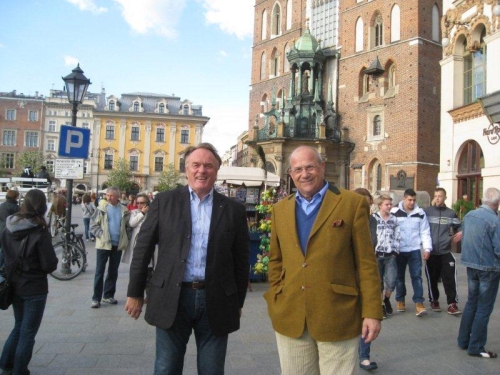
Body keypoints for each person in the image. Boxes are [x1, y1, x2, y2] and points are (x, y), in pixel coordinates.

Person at [125, 143, 250, 375]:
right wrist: (134, 293)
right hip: (172, 296)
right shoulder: (164, 202)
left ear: (216, 171)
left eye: (208, 166)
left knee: (212, 370)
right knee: (166, 367)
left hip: (216, 298)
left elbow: (241, 260)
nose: (202, 170)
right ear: (186, 170)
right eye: (196, 165)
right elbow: (142, 249)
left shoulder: (233, 209)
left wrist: (238, 301)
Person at [264, 146, 382, 375]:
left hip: (337, 314)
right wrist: (276, 294)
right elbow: (275, 260)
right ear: (291, 174)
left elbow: (366, 263)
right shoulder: (281, 209)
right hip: (291, 315)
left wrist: (372, 312)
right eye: (298, 169)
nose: (304, 174)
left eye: (310, 167)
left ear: (322, 167)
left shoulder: (351, 203)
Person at [0, 189, 58, 375]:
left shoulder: (9, 226)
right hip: (34, 287)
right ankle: (19, 370)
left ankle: (5, 365)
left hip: (13, 284)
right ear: (42, 206)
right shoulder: (39, 230)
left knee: (18, 326)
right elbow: (49, 264)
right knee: (28, 332)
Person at [457, 187, 500, 358]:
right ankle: (476, 346)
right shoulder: (494, 221)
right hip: (488, 268)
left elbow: (466, 237)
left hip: (471, 265)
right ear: (496, 203)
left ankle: (463, 340)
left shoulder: (469, 216)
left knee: (472, 303)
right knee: (484, 308)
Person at [391, 188, 432, 316]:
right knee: (399, 277)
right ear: (404, 199)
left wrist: (427, 248)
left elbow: (425, 232)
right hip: (399, 250)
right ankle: (400, 299)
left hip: (414, 249)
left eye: (414, 200)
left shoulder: (420, 213)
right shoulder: (394, 212)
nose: (412, 202)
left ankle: (419, 302)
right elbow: (390, 230)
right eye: (409, 200)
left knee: (417, 277)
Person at [90, 187, 130, 308]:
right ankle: (96, 298)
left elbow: (128, 226)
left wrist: (125, 236)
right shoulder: (101, 209)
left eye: (111, 196)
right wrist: (102, 235)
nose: (108, 198)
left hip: (117, 244)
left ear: (117, 196)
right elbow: (93, 226)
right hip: (103, 244)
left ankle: (108, 295)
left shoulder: (124, 210)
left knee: (113, 271)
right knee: (99, 271)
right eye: (107, 195)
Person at [424, 188, 462, 315]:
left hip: (446, 252)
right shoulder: (427, 212)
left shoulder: (450, 213)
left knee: (449, 278)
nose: (437, 198)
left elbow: (459, 225)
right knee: (432, 278)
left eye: (440, 196)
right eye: (435, 196)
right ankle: (434, 300)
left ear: (445, 197)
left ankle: (452, 304)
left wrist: (461, 231)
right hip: (432, 252)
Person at [121, 193, 150, 265]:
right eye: (138, 203)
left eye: (142, 203)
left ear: (147, 203)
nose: (139, 205)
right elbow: (132, 223)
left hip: (148, 241)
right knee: (135, 263)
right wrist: (142, 213)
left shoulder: (151, 213)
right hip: (136, 241)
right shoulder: (134, 212)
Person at [0, 190, 20, 284]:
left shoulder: (2, 205)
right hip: (9, 231)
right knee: (6, 250)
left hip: (1, 230)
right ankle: (4, 269)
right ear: (16, 197)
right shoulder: (16, 207)